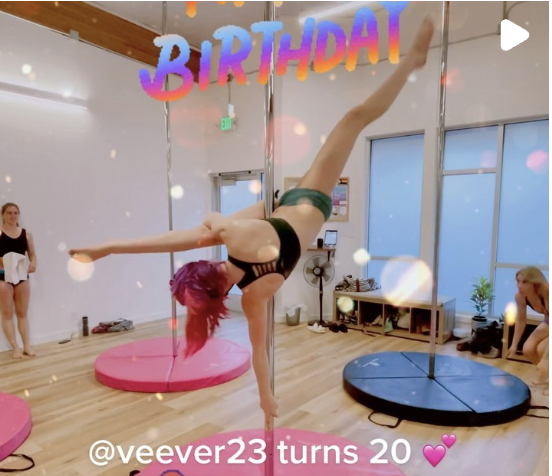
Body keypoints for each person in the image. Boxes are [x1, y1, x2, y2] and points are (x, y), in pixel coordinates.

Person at [70, 19, 435, 419]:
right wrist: (117, 245)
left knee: (197, 234)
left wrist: (266, 397)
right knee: (353, 118)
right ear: (205, 268)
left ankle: (114, 247)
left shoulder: (251, 297)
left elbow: (260, 352)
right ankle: (412, 62)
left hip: (283, 215)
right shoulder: (233, 237)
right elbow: (195, 229)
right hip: (298, 202)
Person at [0, 203, 38, 359]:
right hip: (2, 276)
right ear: (3, 214)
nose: (12, 216)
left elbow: (32, 254)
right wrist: (6, 261)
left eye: (15, 213)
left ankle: (27, 346)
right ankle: (15, 347)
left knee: (22, 313)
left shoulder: (26, 235)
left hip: (21, 276)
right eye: (9, 213)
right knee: (7, 314)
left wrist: (33, 263)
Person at [507, 266, 549, 388]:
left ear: (535, 282)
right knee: (527, 349)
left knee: (542, 350)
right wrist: (514, 345)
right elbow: (521, 321)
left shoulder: (547, 292)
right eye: (518, 281)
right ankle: (547, 374)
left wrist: (546, 359)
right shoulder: (520, 296)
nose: (519, 286)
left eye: (525, 282)